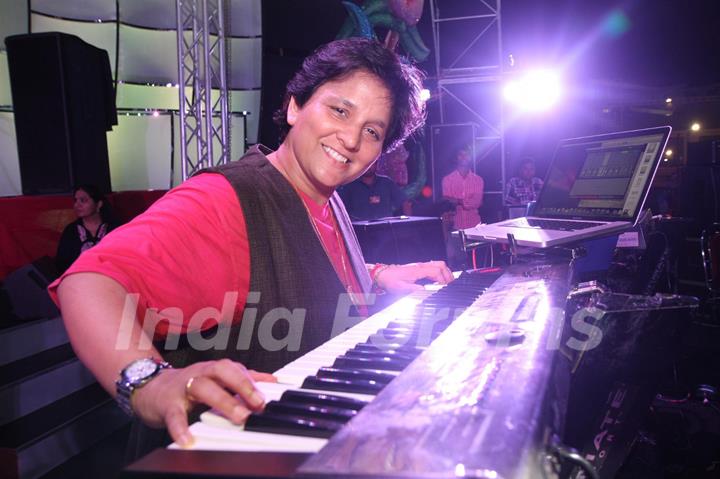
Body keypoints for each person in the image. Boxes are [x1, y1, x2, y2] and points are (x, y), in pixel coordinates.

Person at [49, 37, 453, 454]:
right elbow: (88, 281)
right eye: (339, 110)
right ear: (296, 106)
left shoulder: (326, 198)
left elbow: (300, 270)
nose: (350, 139)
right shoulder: (225, 200)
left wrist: (379, 275)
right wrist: (148, 381)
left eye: (371, 131)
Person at [55, 185, 116, 274]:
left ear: (99, 204)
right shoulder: (71, 231)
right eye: (75, 201)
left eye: (83, 200)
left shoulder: (115, 229)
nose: (77, 205)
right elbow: (62, 264)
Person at [338, 161, 406, 220]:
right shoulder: (350, 185)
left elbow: (404, 202)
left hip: (385, 229)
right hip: (359, 230)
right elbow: (339, 209)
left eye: (371, 164)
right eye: (365, 164)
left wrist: (408, 226)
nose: (368, 167)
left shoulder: (386, 182)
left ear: (377, 165)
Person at [441, 147, 484, 230]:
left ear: (471, 157)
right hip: (454, 226)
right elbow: (447, 203)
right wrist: (467, 202)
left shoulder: (478, 180)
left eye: (467, 154)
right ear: (456, 157)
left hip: (474, 226)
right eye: (461, 154)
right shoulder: (447, 180)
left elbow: (476, 202)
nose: (464, 157)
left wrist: (458, 201)